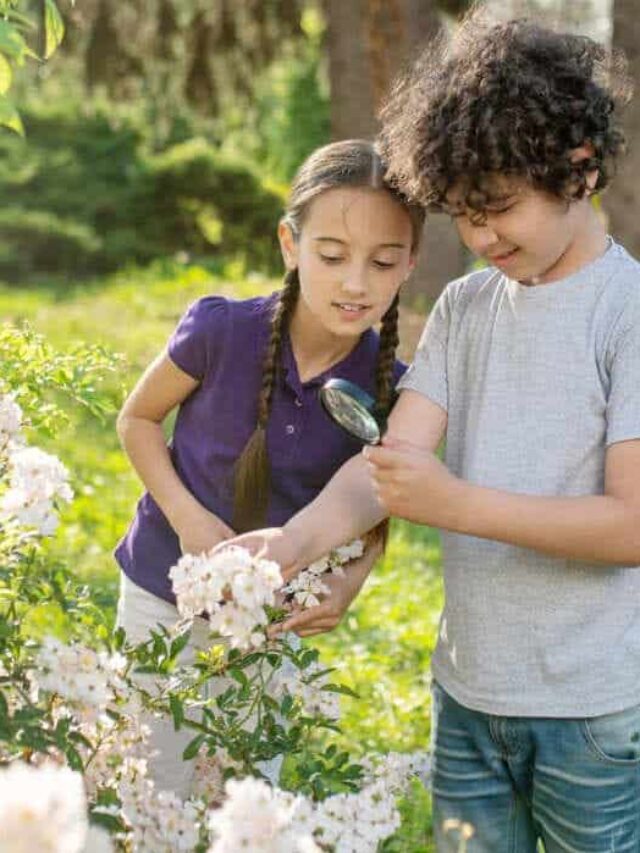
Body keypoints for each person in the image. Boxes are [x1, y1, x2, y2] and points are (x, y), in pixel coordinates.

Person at [221, 13, 640, 851]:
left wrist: (455, 503)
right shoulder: (465, 306)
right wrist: (292, 544)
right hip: (467, 698)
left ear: (579, 169)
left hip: (589, 715)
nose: (480, 237)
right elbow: (392, 465)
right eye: (462, 215)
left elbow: (630, 526)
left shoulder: (624, 313)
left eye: (499, 210)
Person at [113, 139, 425, 797]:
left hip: (271, 623)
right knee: (149, 782)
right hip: (159, 594)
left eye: (383, 261)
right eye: (332, 255)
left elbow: (376, 501)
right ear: (290, 243)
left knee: (245, 797)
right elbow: (136, 421)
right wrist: (187, 516)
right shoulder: (221, 330)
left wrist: (350, 582)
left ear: (410, 265)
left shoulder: (396, 388)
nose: (354, 282)